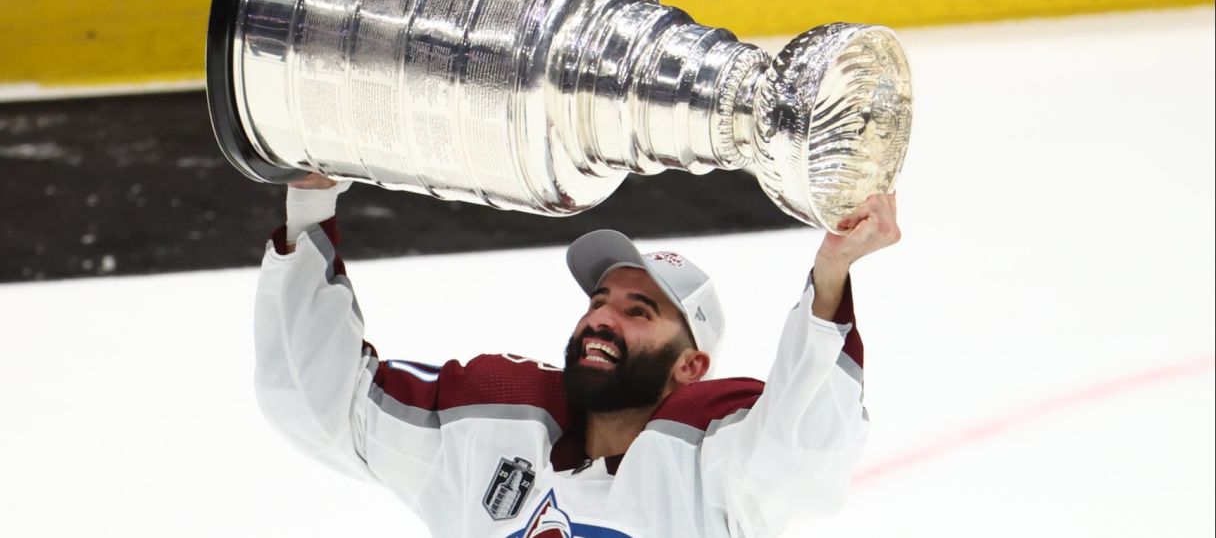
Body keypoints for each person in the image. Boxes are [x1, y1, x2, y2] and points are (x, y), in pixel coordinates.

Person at [255, 173, 900, 538]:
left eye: (638, 312)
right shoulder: (492, 433)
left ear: (691, 366)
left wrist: (831, 274)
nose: (602, 318)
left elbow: (804, 445)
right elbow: (326, 400)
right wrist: (310, 205)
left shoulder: (710, 469)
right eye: (600, 298)